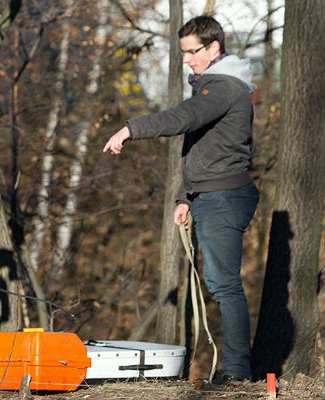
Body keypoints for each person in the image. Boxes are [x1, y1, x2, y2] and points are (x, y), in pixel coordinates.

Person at [103, 16, 259, 382]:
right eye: (184, 52)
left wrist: (131, 128)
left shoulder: (223, 86)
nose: (187, 59)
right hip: (210, 193)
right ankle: (234, 370)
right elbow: (199, 146)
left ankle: (237, 373)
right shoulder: (215, 85)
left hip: (224, 197)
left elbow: (184, 119)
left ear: (213, 47)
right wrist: (184, 196)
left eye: (192, 52)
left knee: (224, 284)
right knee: (220, 282)